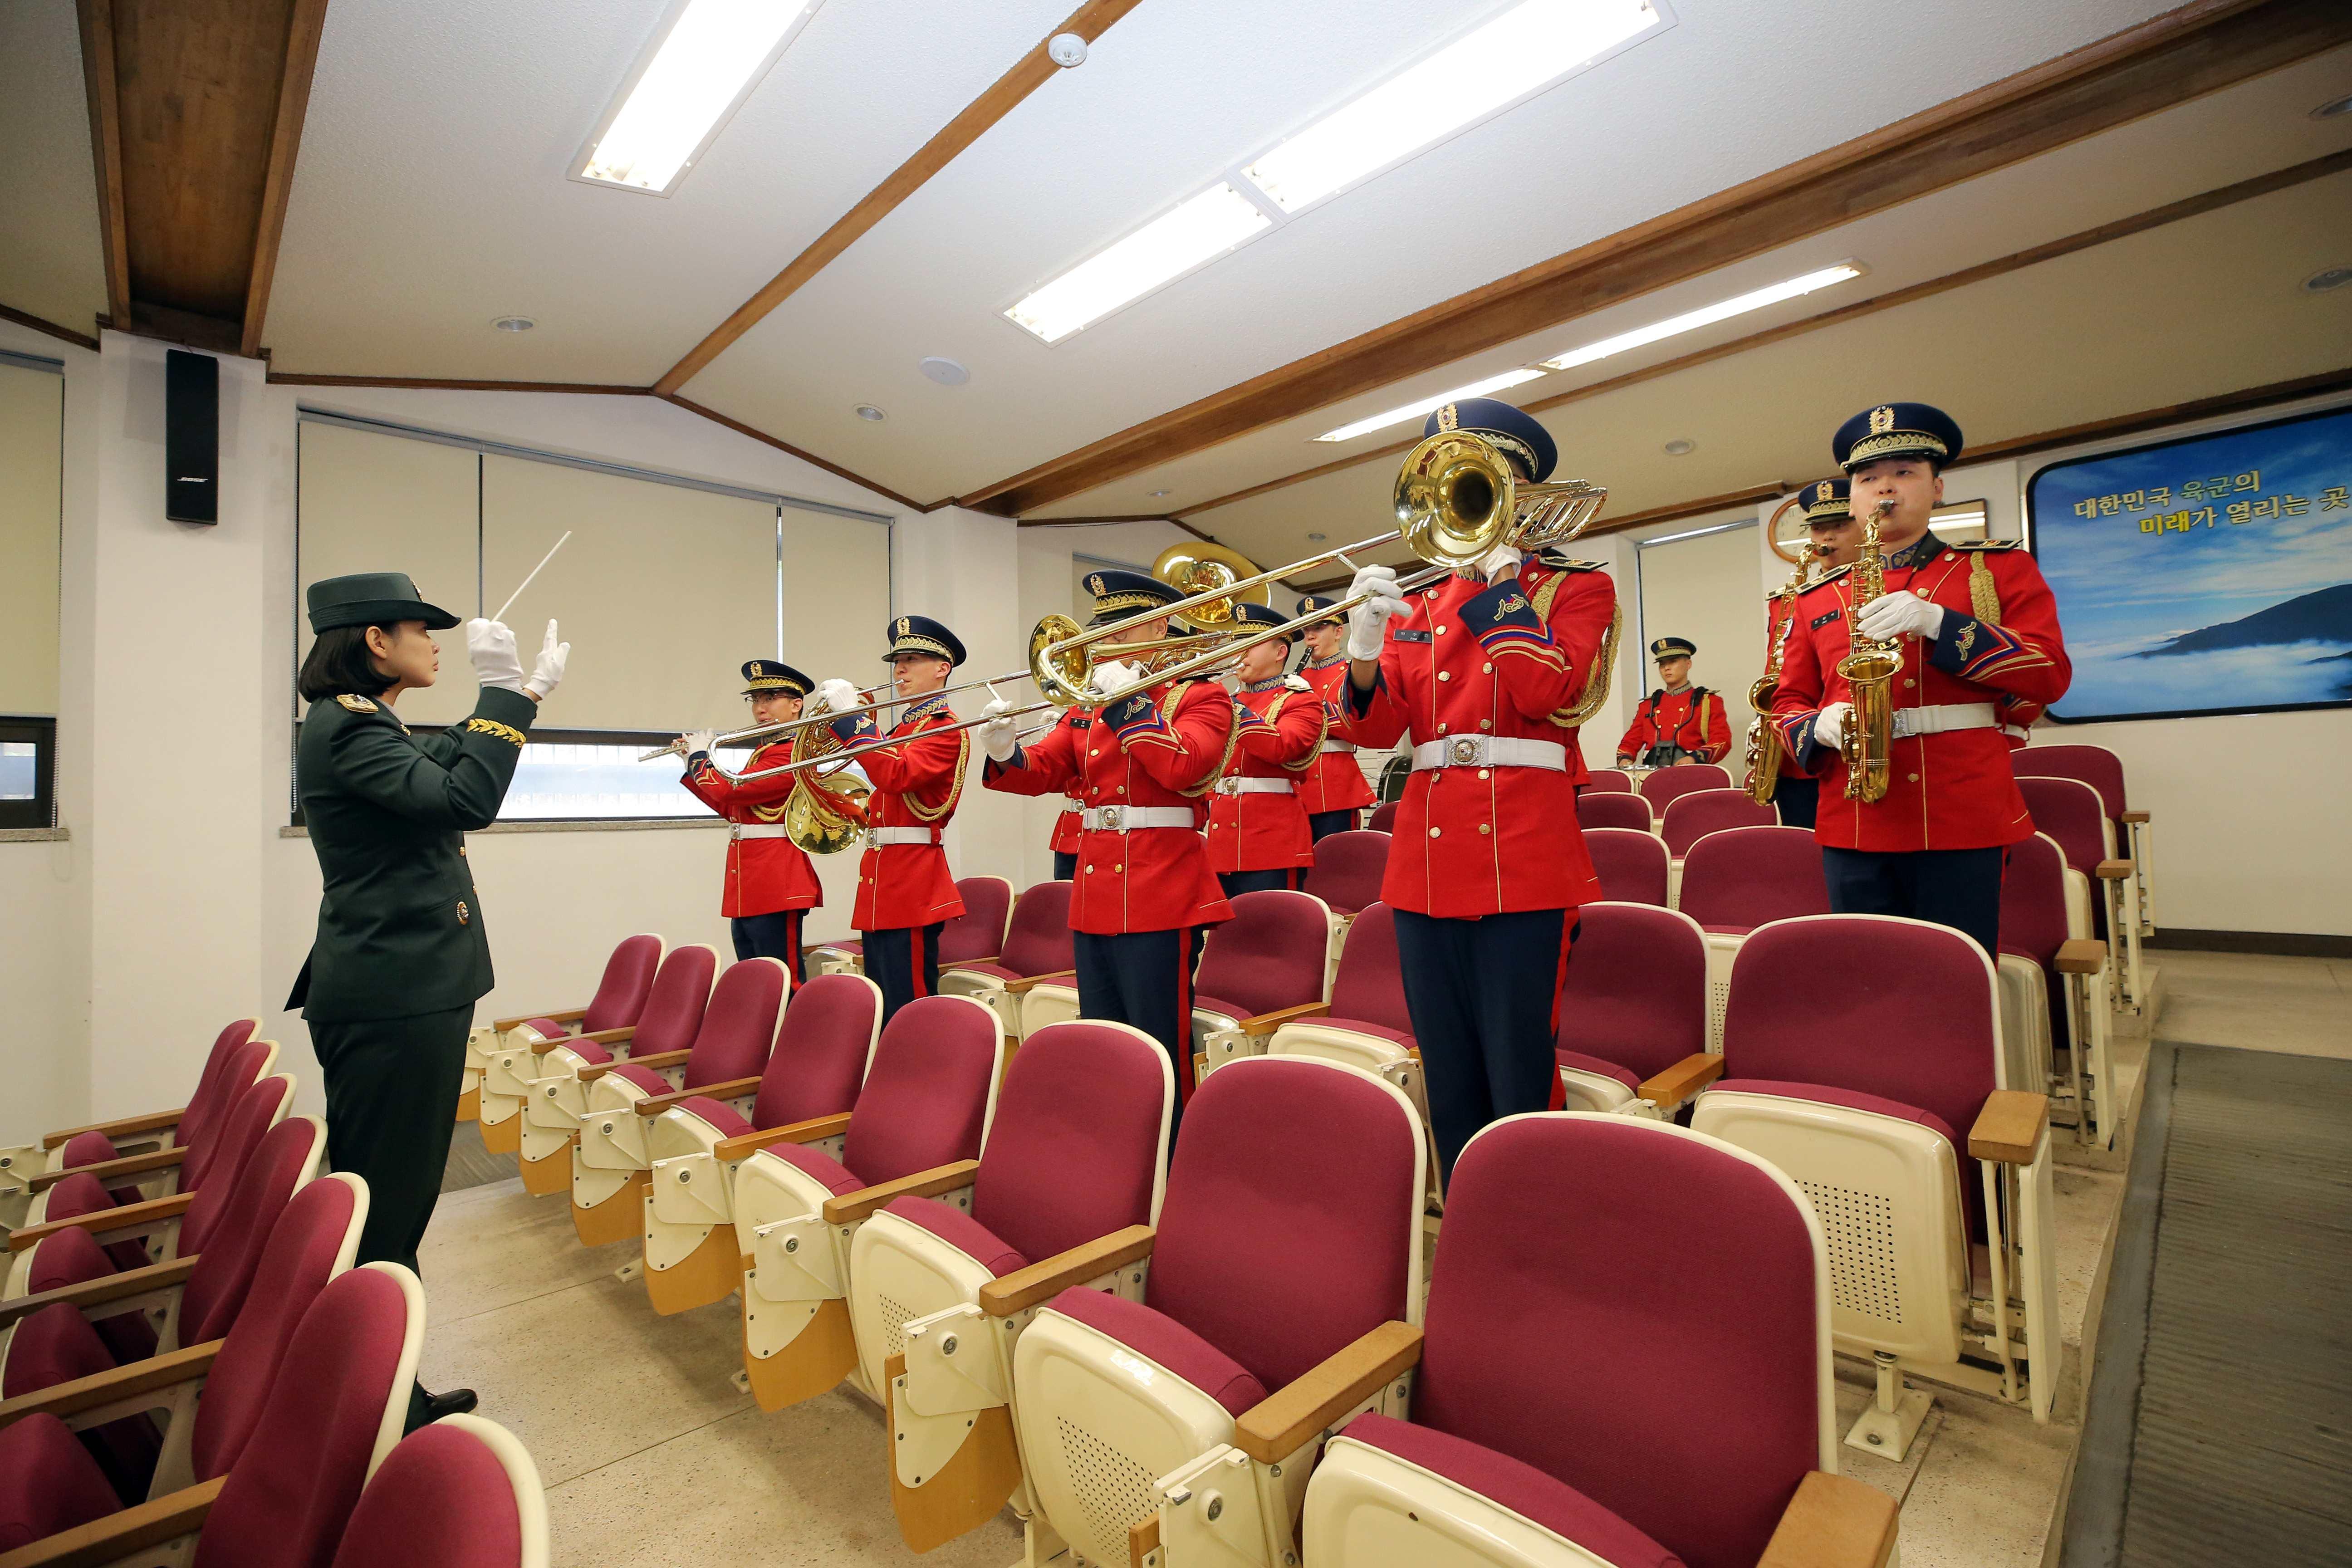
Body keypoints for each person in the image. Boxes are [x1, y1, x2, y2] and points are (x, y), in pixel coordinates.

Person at [289, 571, 567, 1429]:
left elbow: (438, 768)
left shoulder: (363, 723)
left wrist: (516, 697)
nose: (435, 643)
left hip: (403, 984)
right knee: (389, 1203)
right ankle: (375, 1401)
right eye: (422, 629)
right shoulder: (346, 727)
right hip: (396, 991)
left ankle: (374, 1381)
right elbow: (464, 797)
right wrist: (497, 693)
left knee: (391, 1196)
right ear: (377, 640)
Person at [1338, 398, 1617, 1178]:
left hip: (1523, 853)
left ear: (1520, 495)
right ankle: (1467, 1203)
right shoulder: (1417, 604)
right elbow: (1369, 731)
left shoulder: (1574, 589)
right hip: (1424, 860)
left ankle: (1532, 1207)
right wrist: (1362, 650)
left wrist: (1500, 585)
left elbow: (1543, 692)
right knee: (1446, 1057)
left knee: (1519, 1058)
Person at [1771, 403, 2071, 959]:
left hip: (1963, 812)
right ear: (1853, 497)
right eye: (1868, 479)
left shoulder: (1998, 570)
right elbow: (1785, 700)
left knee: (1958, 970)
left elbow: (2050, 673)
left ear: (1937, 488)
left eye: (1904, 473)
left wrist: (1943, 625)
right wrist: (1817, 725)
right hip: (1855, 815)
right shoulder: (1815, 597)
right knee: (1866, 971)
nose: (1885, 488)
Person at [979, 570, 1233, 1128]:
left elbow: (1184, 766)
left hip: (1162, 889)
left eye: (1117, 632)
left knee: (1159, 1042)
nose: (1100, 646)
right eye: (1102, 633)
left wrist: (1127, 704)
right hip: (1096, 891)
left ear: (1159, 627)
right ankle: (1116, 1147)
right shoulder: (1088, 705)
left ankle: (1171, 1150)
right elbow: (1046, 768)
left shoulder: (1202, 696)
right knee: (1105, 1034)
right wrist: (1004, 752)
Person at [817, 618, 970, 1023]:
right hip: (883, 879)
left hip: (913, 882)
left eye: (913, 659)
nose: (899, 669)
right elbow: (887, 791)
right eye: (898, 661)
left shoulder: (945, 728)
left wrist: (854, 721)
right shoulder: (904, 728)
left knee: (912, 1004)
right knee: (883, 1002)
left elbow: (896, 775)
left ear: (943, 668)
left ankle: (927, 1079)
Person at [676, 660, 825, 982]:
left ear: (796, 704)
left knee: (783, 979)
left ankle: (790, 1032)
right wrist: (692, 765)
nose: (760, 708)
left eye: (770, 697)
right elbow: (734, 809)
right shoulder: (766, 751)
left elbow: (732, 789)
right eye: (755, 700)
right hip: (751, 881)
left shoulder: (792, 753)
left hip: (777, 879)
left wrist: (702, 760)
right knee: (754, 979)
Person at [1207, 601, 1324, 898]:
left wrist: (1227, 707)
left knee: (1271, 935)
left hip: (1272, 845)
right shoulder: (1226, 701)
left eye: (1249, 645)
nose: (1239, 654)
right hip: (1221, 840)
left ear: (1280, 652)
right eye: (1236, 645)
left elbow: (1280, 747)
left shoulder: (1301, 701)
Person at [1758, 479, 1854, 830]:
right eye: (1818, 529)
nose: (1826, 538)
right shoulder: (1785, 600)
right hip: (1799, 748)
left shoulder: (1884, 582)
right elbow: (1777, 668)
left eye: (1840, 526)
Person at [1293, 595, 1377, 839]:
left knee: (1336, 863)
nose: (1310, 636)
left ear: (1339, 632)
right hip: (1299, 782)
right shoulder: (1297, 679)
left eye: (1318, 628)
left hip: (1337, 785)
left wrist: (1306, 709)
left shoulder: (1354, 674)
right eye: (1307, 630)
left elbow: (1361, 723)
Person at [1614, 637, 1729, 767]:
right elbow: (1630, 742)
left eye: (1673, 662)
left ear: (1688, 665)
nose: (1667, 668)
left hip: (1692, 771)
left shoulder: (1707, 701)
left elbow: (1722, 740)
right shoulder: (1648, 705)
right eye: (1662, 664)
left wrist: (1694, 758)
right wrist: (1625, 759)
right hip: (1651, 774)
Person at [1042, 705, 1092, 879]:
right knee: (1065, 898)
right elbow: (1053, 781)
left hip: (1099, 830)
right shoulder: (1075, 716)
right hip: (1069, 832)